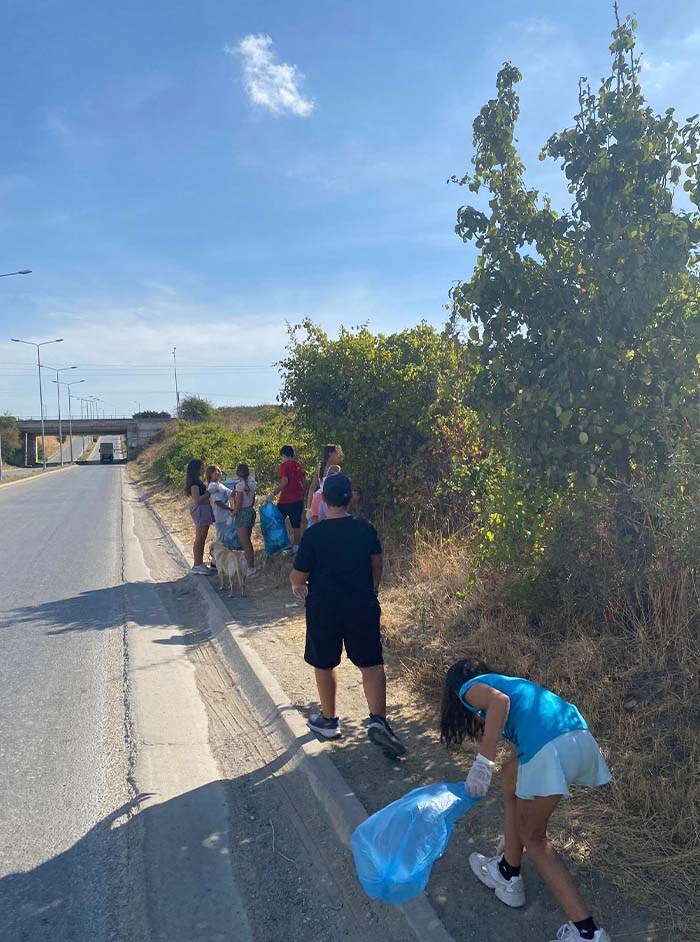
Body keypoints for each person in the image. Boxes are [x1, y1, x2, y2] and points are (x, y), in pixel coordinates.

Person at [440, 659, 612, 942]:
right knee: (510, 779)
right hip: (578, 737)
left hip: (551, 747)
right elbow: (520, 752)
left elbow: (499, 703)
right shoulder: (512, 683)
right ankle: (508, 872)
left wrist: (483, 762)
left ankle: (587, 933)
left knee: (533, 838)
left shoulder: (468, 688)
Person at [289, 472, 405, 758]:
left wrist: (297, 584)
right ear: (350, 497)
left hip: (324, 608)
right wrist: (373, 590)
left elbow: (298, 576)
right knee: (371, 664)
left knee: (325, 662)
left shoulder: (314, 533)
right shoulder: (365, 528)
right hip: (361, 603)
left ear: (324, 499)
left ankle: (329, 721)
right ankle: (378, 720)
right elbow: (377, 563)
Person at [266, 445, 306, 549]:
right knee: (296, 524)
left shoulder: (284, 466)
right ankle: (296, 547)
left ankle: (281, 543)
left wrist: (273, 493)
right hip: (298, 499)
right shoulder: (299, 466)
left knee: (277, 521)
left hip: (285, 500)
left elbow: (285, 481)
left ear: (283, 455)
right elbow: (304, 483)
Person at [185, 458, 214, 574]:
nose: (203, 470)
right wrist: (208, 493)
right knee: (200, 538)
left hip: (204, 510)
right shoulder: (194, 484)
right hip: (201, 510)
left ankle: (199, 563)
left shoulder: (198, 482)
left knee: (202, 537)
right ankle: (197, 564)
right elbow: (197, 500)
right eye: (201, 468)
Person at [231, 462, 257, 575]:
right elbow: (253, 498)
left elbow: (239, 502)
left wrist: (234, 513)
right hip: (250, 511)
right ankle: (250, 564)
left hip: (242, 513)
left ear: (237, 473)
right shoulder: (252, 483)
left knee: (244, 542)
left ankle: (250, 567)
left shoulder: (240, 485)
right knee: (247, 540)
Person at [305, 444, 344, 517]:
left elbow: (312, 487)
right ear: (330, 454)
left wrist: (308, 508)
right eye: (337, 453)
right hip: (328, 499)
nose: (339, 456)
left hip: (317, 498)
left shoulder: (320, 469)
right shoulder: (335, 468)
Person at [207, 465, 234, 542]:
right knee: (222, 539)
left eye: (219, 471)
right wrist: (230, 509)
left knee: (227, 538)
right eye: (216, 471)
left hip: (226, 516)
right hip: (220, 517)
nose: (219, 473)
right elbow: (218, 502)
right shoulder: (213, 486)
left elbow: (231, 494)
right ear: (210, 474)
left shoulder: (220, 485)